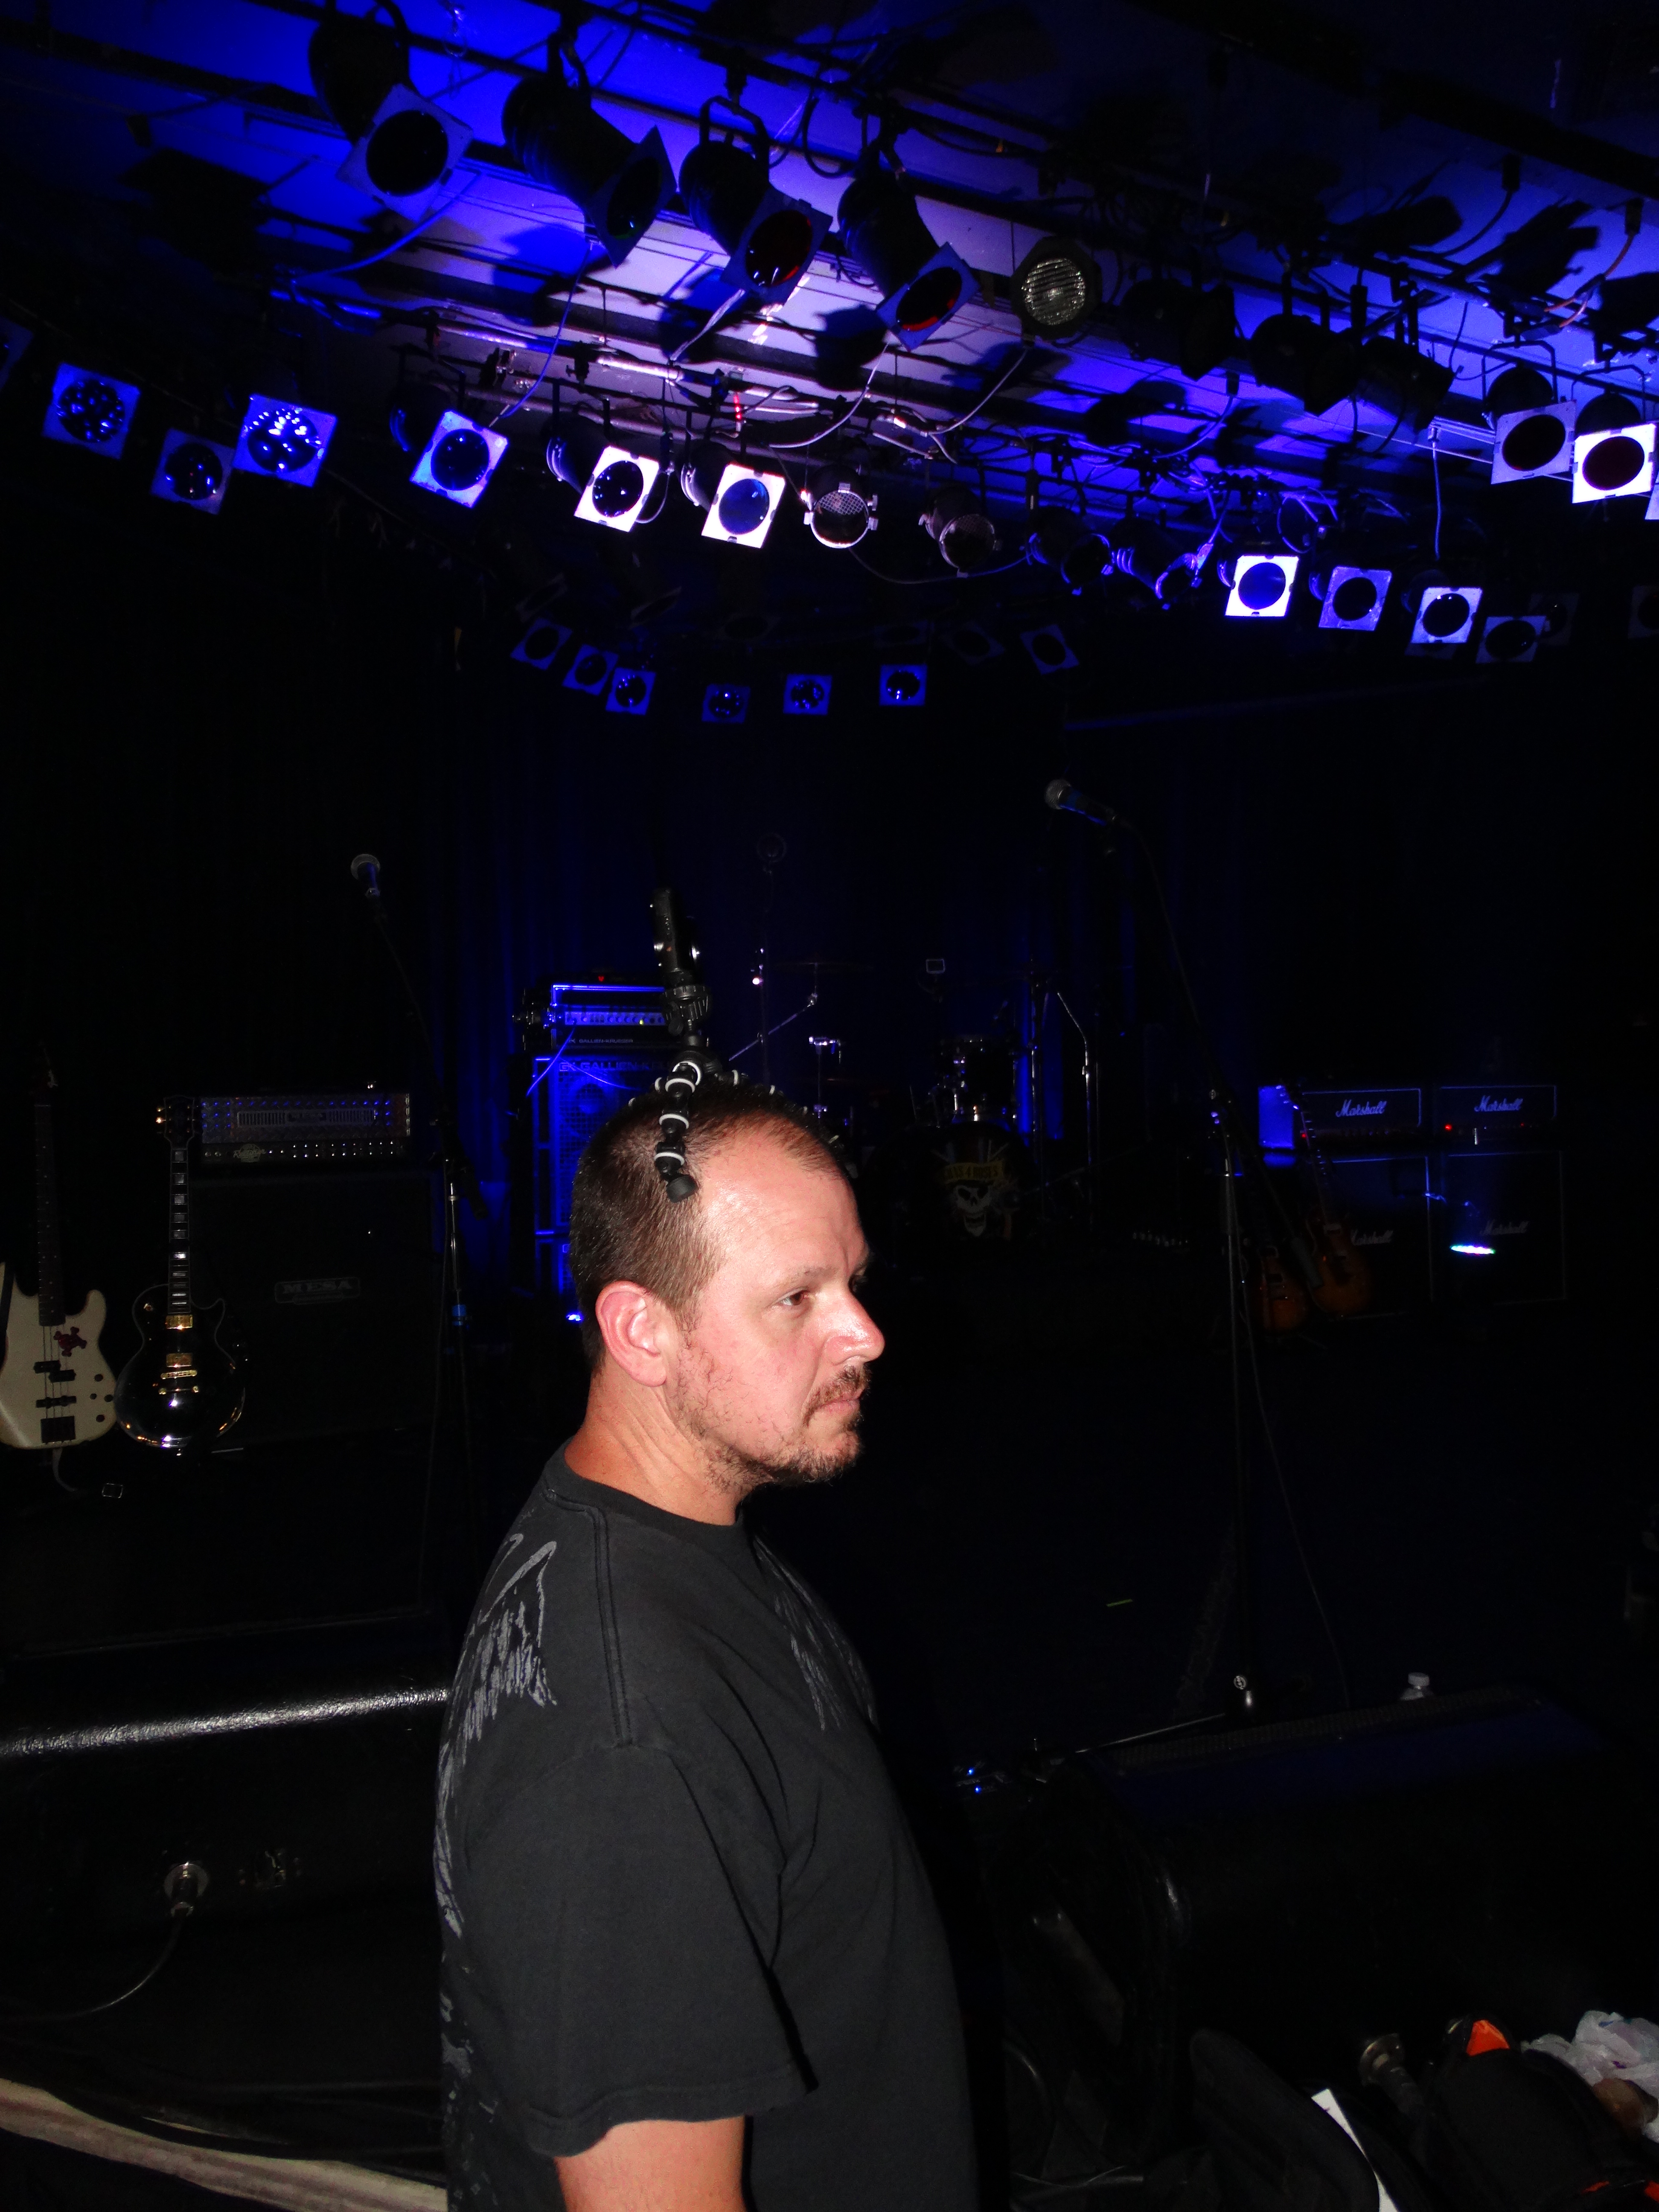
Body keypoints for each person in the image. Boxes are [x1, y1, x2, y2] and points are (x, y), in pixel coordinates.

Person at [435, 1084, 976, 2212]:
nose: (866, 1334)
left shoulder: (664, 1529)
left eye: (853, 1282)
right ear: (644, 1331)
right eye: (796, 1298)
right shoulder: (624, 1743)